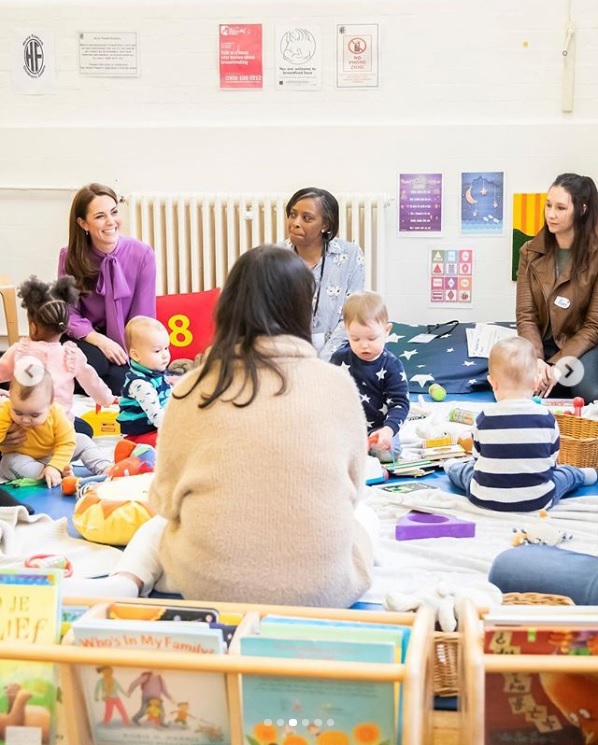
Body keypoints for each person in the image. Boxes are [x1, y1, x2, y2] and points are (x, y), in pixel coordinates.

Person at [63, 245, 377, 607]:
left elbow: (164, 499)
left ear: (228, 307)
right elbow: (354, 492)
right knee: (367, 517)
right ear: (303, 308)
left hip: (210, 583)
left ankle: (125, 581)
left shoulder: (192, 389)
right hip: (323, 589)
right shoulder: (337, 385)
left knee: (156, 528)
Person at [444, 336, 597, 512]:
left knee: (467, 471)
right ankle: (583, 475)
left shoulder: (484, 417)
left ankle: (451, 468)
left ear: (492, 383)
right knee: (564, 474)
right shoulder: (546, 417)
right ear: (536, 382)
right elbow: (552, 461)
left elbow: (478, 458)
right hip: (538, 500)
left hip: (485, 498)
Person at [58, 183, 157, 395]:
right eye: (100, 216)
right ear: (83, 223)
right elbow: (68, 312)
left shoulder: (142, 254)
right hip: (85, 338)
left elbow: (143, 315)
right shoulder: (69, 256)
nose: (111, 222)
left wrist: (136, 355)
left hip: (123, 341)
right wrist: (98, 339)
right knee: (95, 364)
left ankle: (63, 378)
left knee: (125, 384)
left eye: (113, 212)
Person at [516, 172, 598, 402]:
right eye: (548, 205)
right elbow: (526, 316)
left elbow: (593, 326)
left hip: (581, 347)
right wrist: (537, 361)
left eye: (561, 208)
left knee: (588, 393)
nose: (551, 214)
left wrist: (557, 366)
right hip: (540, 346)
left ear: (581, 210)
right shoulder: (529, 252)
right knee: (516, 387)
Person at [0, 275, 114, 438]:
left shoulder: (19, 351)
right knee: (85, 430)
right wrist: (107, 399)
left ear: (33, 327)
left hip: (23, 424)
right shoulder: (72, 355)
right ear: (64, 327)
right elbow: (92, 382)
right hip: (58, 427)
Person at [283, 187, 365, 361]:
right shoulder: (274, 257)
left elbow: (351, 316)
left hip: (336, 355)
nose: (296, 222)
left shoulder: (350, 255)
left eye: (307, 218)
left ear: (325, 225)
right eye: (292, 214)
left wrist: (325, 360)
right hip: (286, 354)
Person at [0, 360, 111, 487]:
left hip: (55, 451)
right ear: (10, 398)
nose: (25, 420)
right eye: (18, 413)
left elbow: (67, 442)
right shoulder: (5, 409)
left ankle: (104, 466)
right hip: (22, 456)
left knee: (82, 440)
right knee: (8, 464)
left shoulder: (56, 412)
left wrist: (55, 465)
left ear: (50, 403)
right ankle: (46, 474)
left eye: (34, 415)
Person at [331, 291, 410, 462]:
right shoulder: (339, 359)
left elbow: (400, 403)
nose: (364, 345)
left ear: (386, 330)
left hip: (379, 431)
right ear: (347, 332)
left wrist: (388, 431)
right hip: (347, 429)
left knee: (388, 453)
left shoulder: (392, 366)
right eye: (355, 338)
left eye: (372, 338)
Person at [117, 316, 172, 447]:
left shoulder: (156, 373)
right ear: (136, 355)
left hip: (155, 426)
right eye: (157, 351)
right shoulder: (140, 384)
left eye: (166, 348)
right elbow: (156, 415)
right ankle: (128, 448)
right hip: (139, 433)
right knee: (175, 441)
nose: (165, 355)